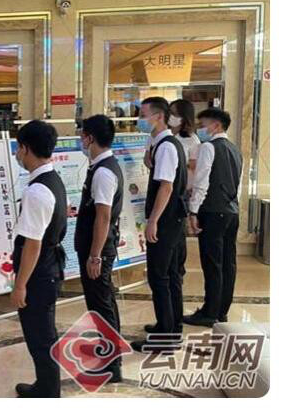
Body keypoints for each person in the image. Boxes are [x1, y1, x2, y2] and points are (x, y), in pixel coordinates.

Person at [11, 120, 67, 398]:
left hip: (39, 273)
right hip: (49, 266)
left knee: (39, 336)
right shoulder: (52, 179)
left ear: (25, 148)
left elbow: (33, 244)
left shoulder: (37, 191)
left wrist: (20, 285)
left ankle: (47, 391)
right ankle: (46, 385)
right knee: (44, 332)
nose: (17, 154)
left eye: (18, 148)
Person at [130, 97, 188, 352]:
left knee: (160, 276)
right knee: (171, 275)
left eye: (143, 114)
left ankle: (166, 336)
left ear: (158, 116)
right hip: (174, 219)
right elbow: (151, 165)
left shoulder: (166, 147)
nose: (140, 119)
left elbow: (166, 186)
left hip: (165, 220)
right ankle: (171, 326)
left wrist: (153, 221)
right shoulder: (164, 143)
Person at [74, 114, 124, 382]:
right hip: (99, 246)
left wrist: (95, 256)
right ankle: (110, 350)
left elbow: (103, 217)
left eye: (82, 135)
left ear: (90, 138)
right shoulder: (102, 166)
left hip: (98, 249)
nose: (80, 139)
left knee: (100, 304)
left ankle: (111, 365)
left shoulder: (103, 172)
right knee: (104, 301)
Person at [183, 108, 243, 327]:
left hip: (212, 211)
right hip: (231, 212)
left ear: (216, 125)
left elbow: (202, 181)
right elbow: (238, 184)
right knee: (228, 263)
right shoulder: (235, 149)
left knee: (212, 263)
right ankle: (221, 310)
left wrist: (193, 211)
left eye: (203, 125)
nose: (200, 129)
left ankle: (209, 312)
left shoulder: (208, 147)